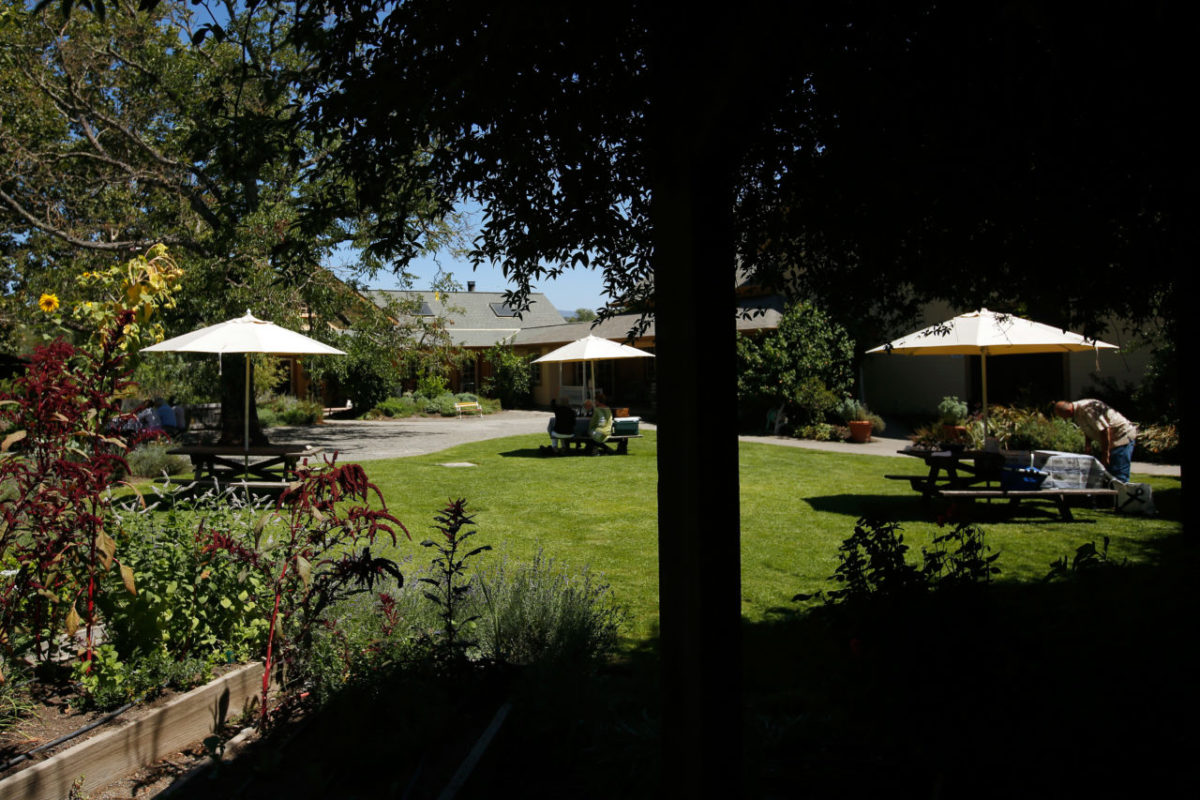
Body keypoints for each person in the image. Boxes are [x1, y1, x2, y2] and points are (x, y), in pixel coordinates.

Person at [1053, 399, 1137, 482]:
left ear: (1068, 411)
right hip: (1112, 440)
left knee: (1118, 474)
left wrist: (1105, 454)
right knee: (1108, 474)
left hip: (1122, 436)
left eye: (1063, 416)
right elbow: (1088, 428)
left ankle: (1122, 493)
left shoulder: (1087, 410)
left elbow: (1104, 430)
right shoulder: (1077, 412)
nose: (1064, 419)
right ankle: (1110, 494)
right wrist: (1088, 447)